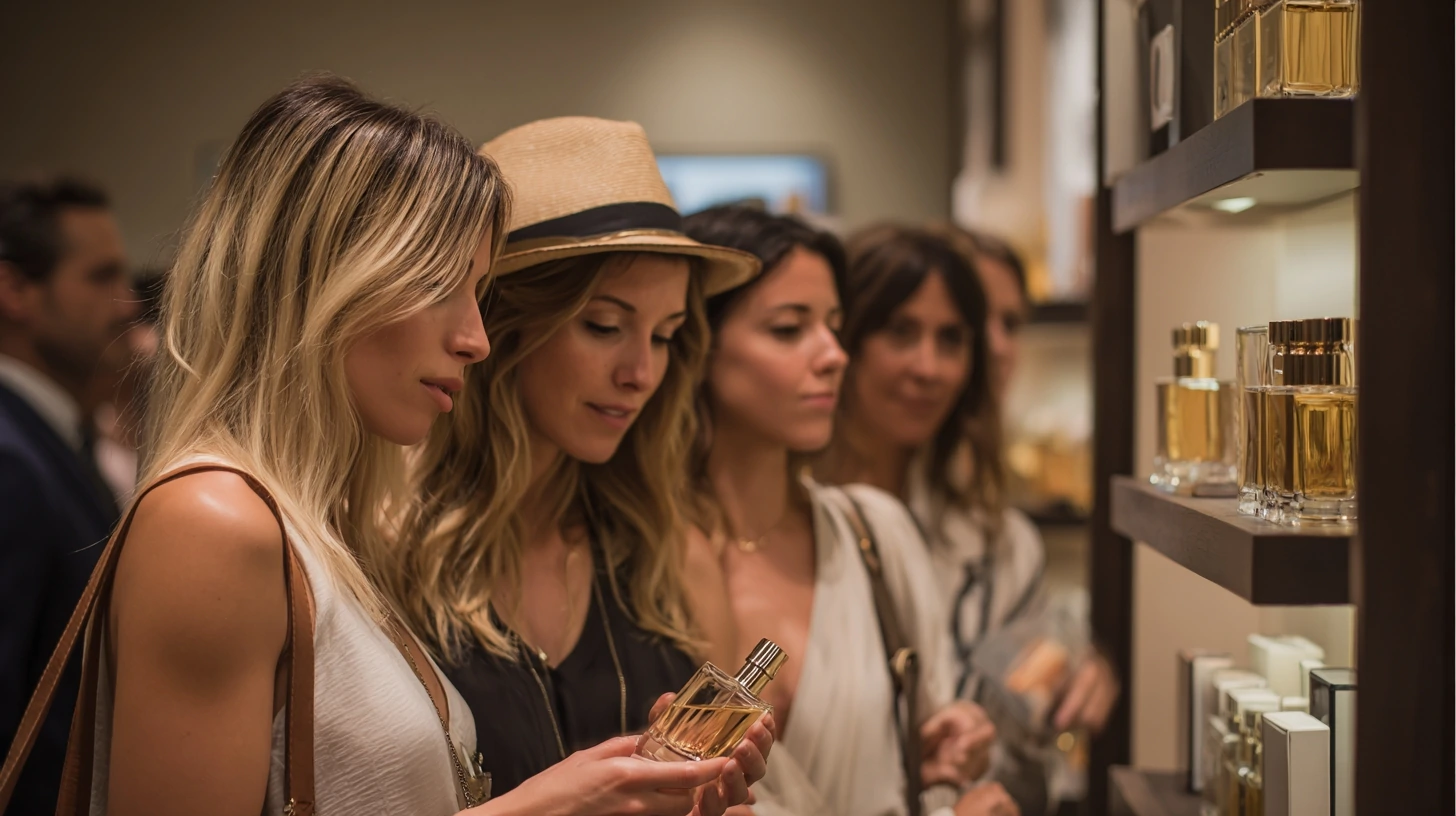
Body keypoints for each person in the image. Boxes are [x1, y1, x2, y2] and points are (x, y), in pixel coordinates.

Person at [386, 117, 772, 811]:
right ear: (498, 323)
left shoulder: (668, 553)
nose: (642, 373)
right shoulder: (386, 548)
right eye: (604, 326)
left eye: (666, 336)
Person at [681, 205, 1014, 816]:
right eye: (788, 329)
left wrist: (949, 748)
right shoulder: (638, 555)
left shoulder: (874, 532)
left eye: (835, 327)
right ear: (698, 344)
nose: (833, 354)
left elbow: (928, 772)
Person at [821, 224, 1115, 815]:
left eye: (952, 339)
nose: (928, 367)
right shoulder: (778, 525)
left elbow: (1024, 753)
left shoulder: (999, 546)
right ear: (841, 337)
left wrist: (1064, 686)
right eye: (900, 331)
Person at [0, 176, 132, 816]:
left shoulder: (54, 438)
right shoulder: (9, 458)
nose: (126, 302)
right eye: (101, 277)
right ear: (15, 290)